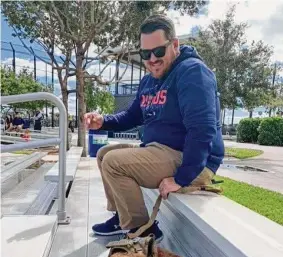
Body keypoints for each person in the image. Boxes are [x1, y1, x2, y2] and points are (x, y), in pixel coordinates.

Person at [84, 15, 225, 243]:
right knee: (104, 155)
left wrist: (183, 177)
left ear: (175, 45)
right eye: (145, 54)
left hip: (191, 158)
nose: (152, 59)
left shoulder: (192, 72)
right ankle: (122, 218)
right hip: (159, 150)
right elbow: (131, 116)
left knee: (114, 162)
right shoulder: (149, 81)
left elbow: (203, 130)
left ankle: (143, 231)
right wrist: (104, 121)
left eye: (158, 51)